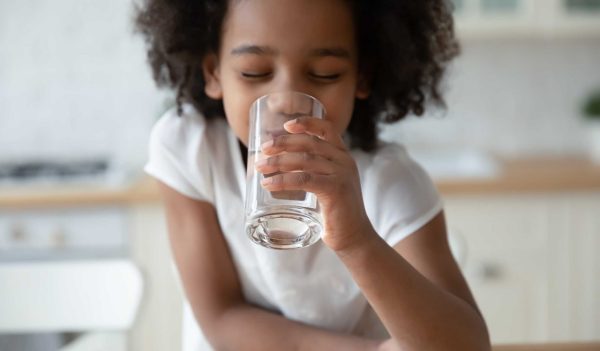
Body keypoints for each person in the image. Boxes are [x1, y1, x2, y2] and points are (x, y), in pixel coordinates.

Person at [136, 0, 491, 350]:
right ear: (213, 72)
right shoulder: (190, 149)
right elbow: (223, 318)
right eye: (255, 71)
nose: (287, 99)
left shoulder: (389, 183)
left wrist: (356, 239)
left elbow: (468, 345)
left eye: (324, 74)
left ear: (361, 76)